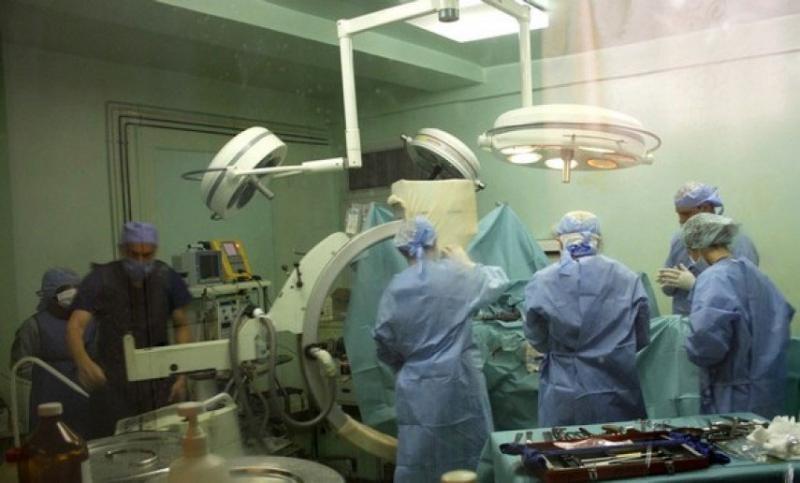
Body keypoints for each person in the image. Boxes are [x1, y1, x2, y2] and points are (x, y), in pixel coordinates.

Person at [372, 217, 509, 483]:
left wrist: (407, 365)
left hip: (417, 387)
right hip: (460, 381)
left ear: (402, 251)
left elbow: (384, 341)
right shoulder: (455, 276)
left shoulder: (395, 289)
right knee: (470, 454)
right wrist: (466, 263)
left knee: (420, 456)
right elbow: (497, 282)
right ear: (434, 242)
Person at [66, 221, 193, 438]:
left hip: (160, 381)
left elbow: (181, 324)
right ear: (123, 250)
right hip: (114, 382)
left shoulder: (166, 278)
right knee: (116, 444)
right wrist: (83, 361)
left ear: (155, 251)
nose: (141, 261)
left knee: (164, 442)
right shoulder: (101, 279)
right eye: (135, 255)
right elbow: (75, 326)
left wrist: (182, 373)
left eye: (147, 255)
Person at [524, 211, 650, 427]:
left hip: (565, 387)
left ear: (559, 242)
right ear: (599, 241)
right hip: (615, 385)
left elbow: (536, 337)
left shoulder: (543, 281)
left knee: (564, 445)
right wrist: (610, 351)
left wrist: (567, 351)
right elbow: (642, 335)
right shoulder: (627, 278)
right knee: (619, 442)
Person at [682, 213, 794, 418]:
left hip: (733, 395)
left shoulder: (713, 278)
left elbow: (706, 341)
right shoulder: (755, 274)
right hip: (768, 390)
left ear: (697, 248)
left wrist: (690, 348)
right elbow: (782, 315)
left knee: (734, 438)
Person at [10, 268, 95, 436]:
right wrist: (50, 375)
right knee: (50, 442)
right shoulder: (34, 326)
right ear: (50, 297)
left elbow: (97, 356)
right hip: (48, 399)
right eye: (67, 295)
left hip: (84, 397)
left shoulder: (88, 323)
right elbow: (20, 365)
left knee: (88, 440)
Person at [658, 181, 759, 315]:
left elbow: (742, 294)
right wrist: (669, 284)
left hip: (721, 322)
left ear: (705, 208)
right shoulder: (680, 239)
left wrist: (696, 286)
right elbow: (668, 286)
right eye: (678, 214)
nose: (680, 220)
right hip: (684, 321)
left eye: (685, 214)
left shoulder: (737, 241)